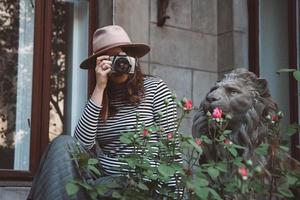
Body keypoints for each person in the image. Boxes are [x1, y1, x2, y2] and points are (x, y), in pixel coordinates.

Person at [28, 25, 179, 200]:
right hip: (104, 180)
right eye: (109, 59)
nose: (119, 64)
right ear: (99, 64)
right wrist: (99, 88)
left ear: (133, 58)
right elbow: (82, 145)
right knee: (63, 143)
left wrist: (175, 195)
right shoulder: (99, 98)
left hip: (140, 180)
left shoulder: (155, 88)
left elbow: (171, 148)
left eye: (121, 57)